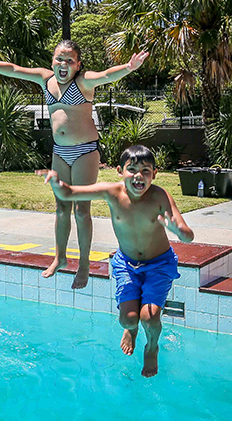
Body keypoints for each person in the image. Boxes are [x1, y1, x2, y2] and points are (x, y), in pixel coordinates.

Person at [0, 41, 149, 289]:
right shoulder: (45, 79)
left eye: (69, 61)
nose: (63, 65)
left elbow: (107, 75)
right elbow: (13, 69)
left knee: (81, 211)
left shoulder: (83, 82)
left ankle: (83, 265)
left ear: (78, 65)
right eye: (59, 59)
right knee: (62, 209)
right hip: (60, 152)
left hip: (85, 151)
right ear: (52, 60)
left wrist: (129, 66)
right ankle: (60, 257)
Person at [40, 145, 194, 378]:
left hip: (159, 264)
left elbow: (188, 235)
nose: (138, 176)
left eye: (145, 171)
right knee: (128, 319)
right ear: (120, 171)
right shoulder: (111, 192)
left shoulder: (160, 196)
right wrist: (56, 184)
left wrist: (177, 230)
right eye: (132, 169)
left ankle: (151, 347)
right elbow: (69, 193)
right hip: (126, 264)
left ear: (155, 173)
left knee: (150, 318)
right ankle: (131, 331)